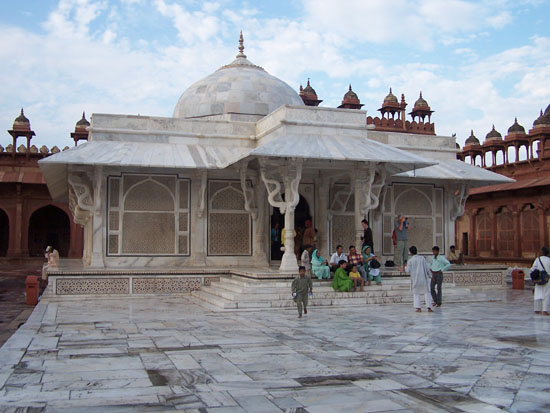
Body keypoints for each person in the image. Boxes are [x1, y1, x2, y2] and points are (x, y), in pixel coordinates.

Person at [406, 246, 433, 313]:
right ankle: (429, 307)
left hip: (415, 279)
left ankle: (418, 308)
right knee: (427, 293)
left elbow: (407, 270)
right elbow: (427, 268)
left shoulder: (410, 260)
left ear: (411, 252)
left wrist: (403, 268)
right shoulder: (422, 258)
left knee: (416, 293)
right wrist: (430, 276)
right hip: (424, 278)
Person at [531, 246, 550, 315]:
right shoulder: (549, 260)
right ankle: (546, 310)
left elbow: (533, 269)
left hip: (538, 280)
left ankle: (537, 309)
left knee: (538, 294)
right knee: (547, 295)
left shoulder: (537, 260)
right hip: (547, 280)